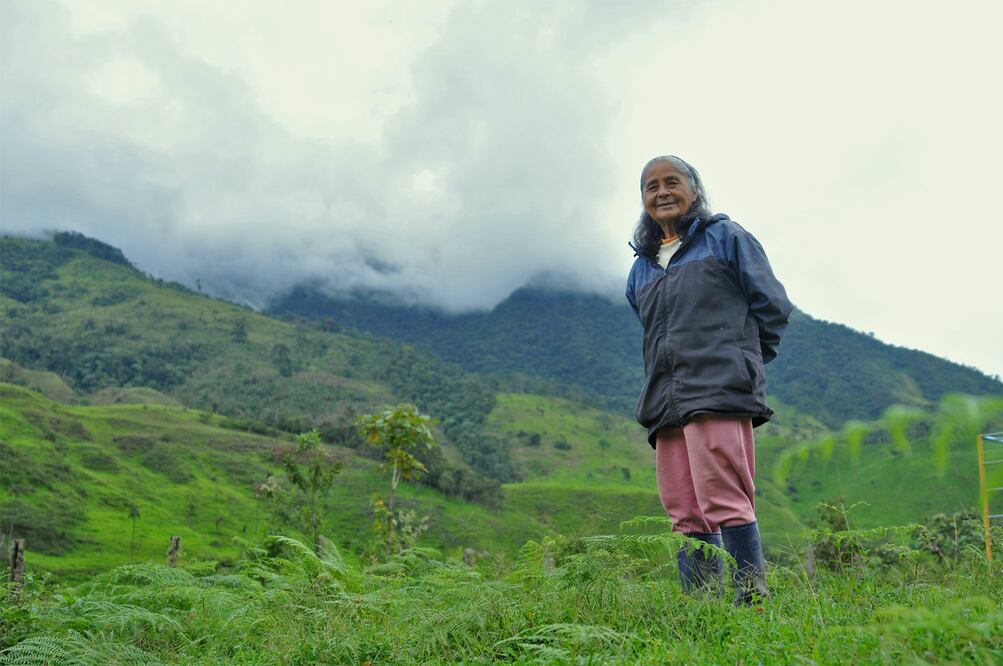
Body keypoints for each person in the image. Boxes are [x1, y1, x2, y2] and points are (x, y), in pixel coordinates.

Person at [625, 155, 792, 604]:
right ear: (643, 200)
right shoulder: (641, 267)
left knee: (724, 496)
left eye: (672, 182)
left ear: (693, 190)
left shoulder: (725, 238)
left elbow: (772, 306)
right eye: (651, 186)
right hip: (665, 400)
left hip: (718, 389)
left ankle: (751, 600)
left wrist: (746, 360)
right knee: (683, 507)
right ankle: (703, 606)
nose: (662, 192)